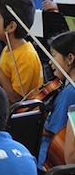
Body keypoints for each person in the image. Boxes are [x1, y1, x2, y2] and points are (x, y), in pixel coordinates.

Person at [0, 0, 43, 104]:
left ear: (11, 27)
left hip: (20, 116)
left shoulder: (26, 56)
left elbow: (16, 99)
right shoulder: (7, 48)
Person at [37, 31, 75, 169]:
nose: (50, 62)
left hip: (49, 158)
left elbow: (54, 131)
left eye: (53, 55)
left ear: (70, 58)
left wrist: (30, 124)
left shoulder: (69, 93)